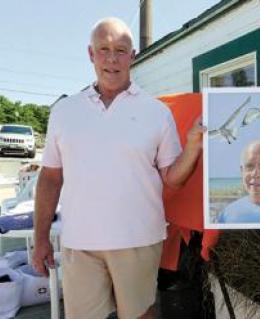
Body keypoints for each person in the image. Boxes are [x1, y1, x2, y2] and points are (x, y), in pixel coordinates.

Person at [32, 17, 204, 319]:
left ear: (133, 55)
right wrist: (41, 237)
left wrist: (192, 147)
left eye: (121, 50)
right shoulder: (64, 111)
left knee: (141, 315)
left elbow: (172, 179)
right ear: (90, 54)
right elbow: (50, 177)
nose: (112, 59)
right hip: (79, 241)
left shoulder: (157, 112)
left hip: (138, 238)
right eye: (104, 49)